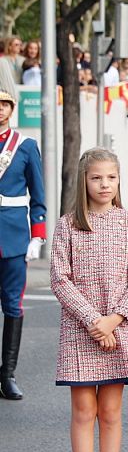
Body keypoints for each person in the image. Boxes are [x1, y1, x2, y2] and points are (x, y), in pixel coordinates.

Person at [50, 148, 128, 452]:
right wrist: (95, 321)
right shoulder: (68, 225)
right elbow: (60, 280)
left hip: (119, 328)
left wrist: (113, 320)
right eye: (96, 178)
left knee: (110, 410)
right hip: (81, 330)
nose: (104, 184)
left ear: (119, 180)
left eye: (111, 177)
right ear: (84, 181)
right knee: (82, 409)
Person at [0, 91, 46, 400]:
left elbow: (38, 195)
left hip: (13, 236)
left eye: (4, 104)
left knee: (13, 304)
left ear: (11, 109)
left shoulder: (25, 146)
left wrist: (37, 235)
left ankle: (7, 374)